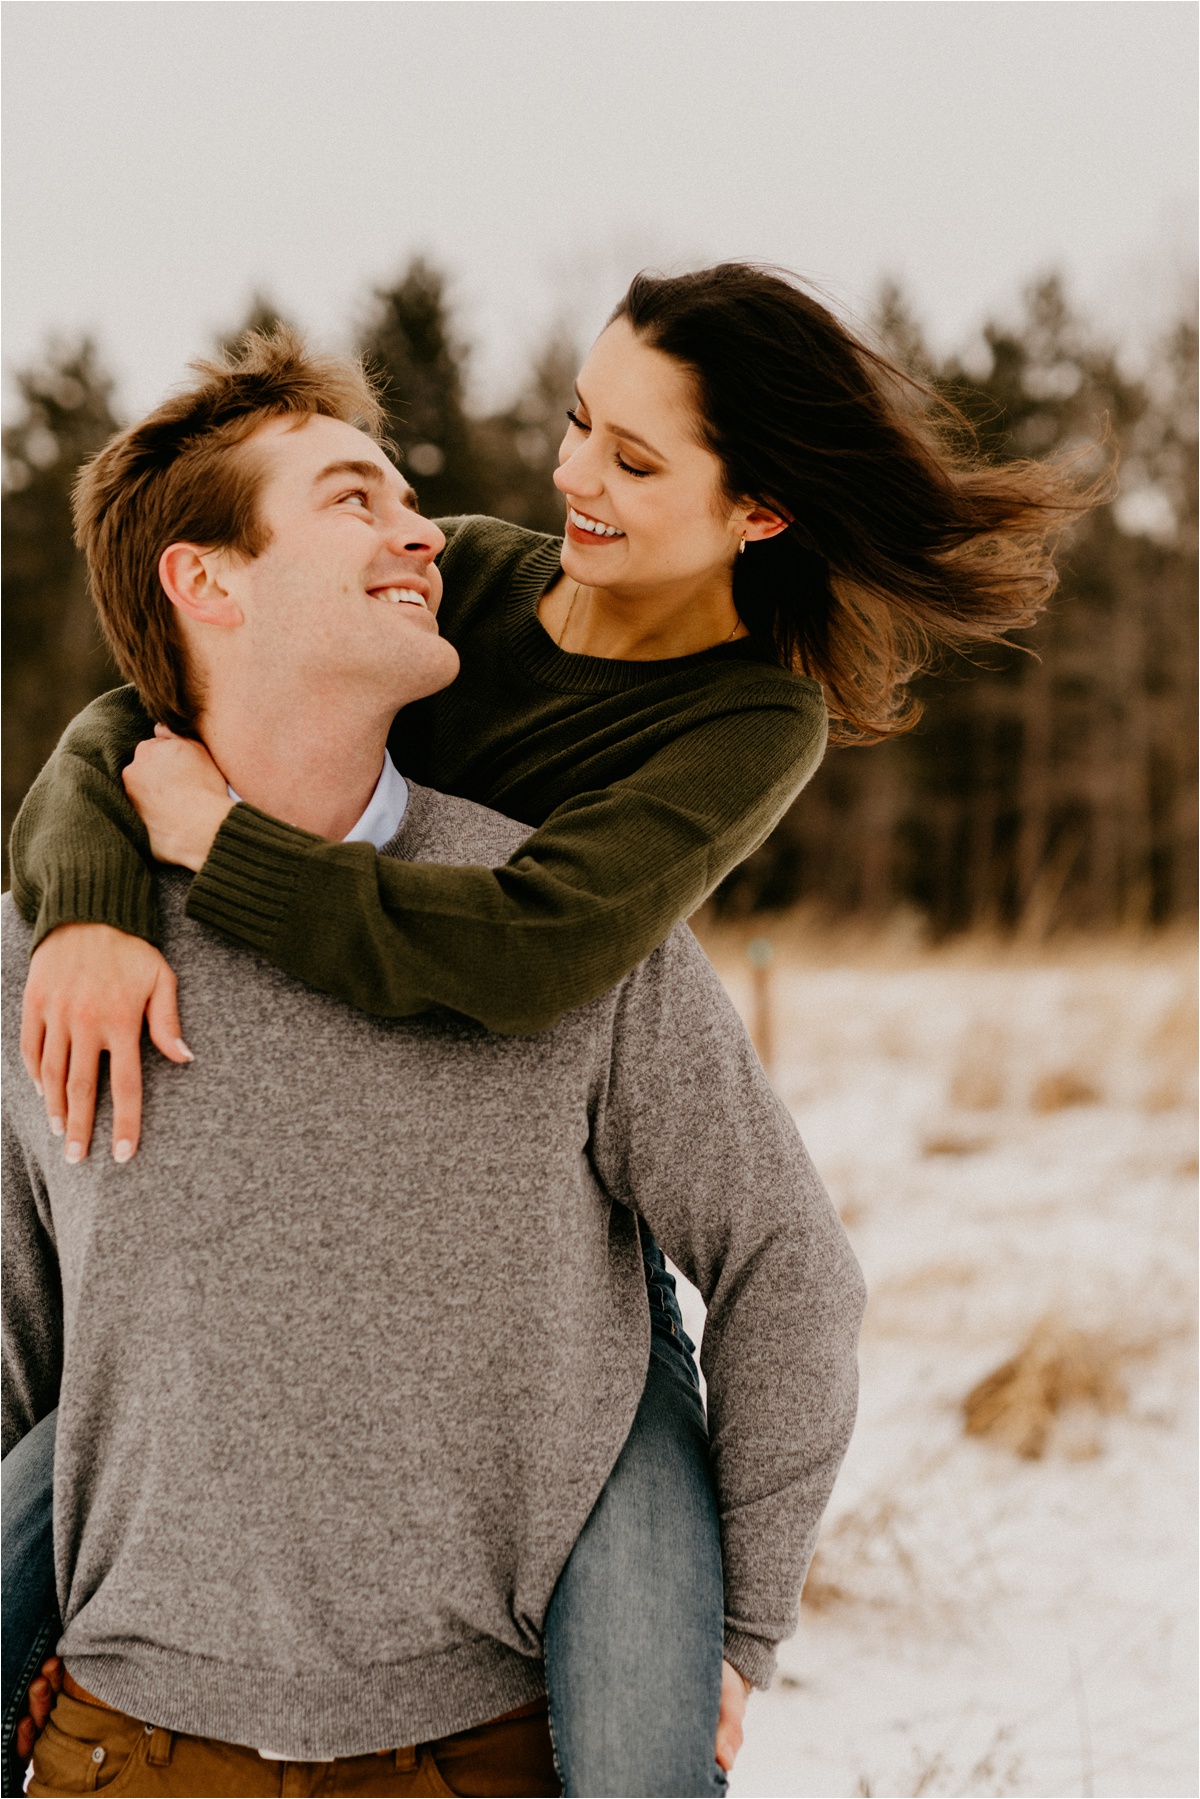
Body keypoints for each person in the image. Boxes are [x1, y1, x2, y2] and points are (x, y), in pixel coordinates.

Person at [5, 265, 1086, 1790]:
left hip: (560, 1244)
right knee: (80, 1456)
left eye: (636, 462)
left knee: (645, 1725)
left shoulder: (745, 721)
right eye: (581, 423)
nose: (572, 473)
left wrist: (745, 1624)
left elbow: (538, 953)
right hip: (177, 1565)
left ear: (757, 512)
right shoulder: (464, 572)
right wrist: (96, 899)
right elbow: (135, 706)